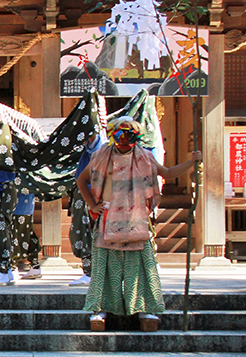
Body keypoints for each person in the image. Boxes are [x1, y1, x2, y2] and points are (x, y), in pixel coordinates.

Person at [76, 116, 201, 332]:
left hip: (137, 221)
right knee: (104, 269)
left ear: (136, 136)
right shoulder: (100, 156)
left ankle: (145, 307)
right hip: (108, 220)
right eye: (119, 135)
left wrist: (192, 162)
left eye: (129, 135)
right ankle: (100, 308)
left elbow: (168, 173)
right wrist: (91, 204)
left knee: (141, 268)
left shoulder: (145, 157)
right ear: (113, 135)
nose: (124, 140)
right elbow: (81, 180)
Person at [68, 132, 106, 286]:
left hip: (93, 194)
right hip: (84, 194)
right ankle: (89, 271)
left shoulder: (100, 148)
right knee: (80, 231)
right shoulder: (88, 152)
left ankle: (92, 272)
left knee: (88, 232)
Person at [10, 189, 42, 280]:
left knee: (15, 233)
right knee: (27, 232)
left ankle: (13, 267)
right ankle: (34, 265)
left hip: (17, 200)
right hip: (26, 198)